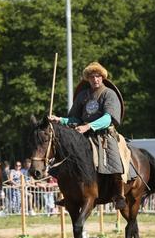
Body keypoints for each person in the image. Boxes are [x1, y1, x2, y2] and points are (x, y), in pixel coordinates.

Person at [49, 62, 127, 210]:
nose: (95, 79)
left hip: (104, 135)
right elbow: (75, 119)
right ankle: (69, 194)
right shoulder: (83, 96)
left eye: (98, 76)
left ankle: (118, 195)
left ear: (102, 77)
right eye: (92, 77)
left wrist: (88, 126)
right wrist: (59, 120)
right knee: (66, 160)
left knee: (113, 157)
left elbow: (108, 118)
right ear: (88, 79)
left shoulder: (109, 94)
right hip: (83, 136)